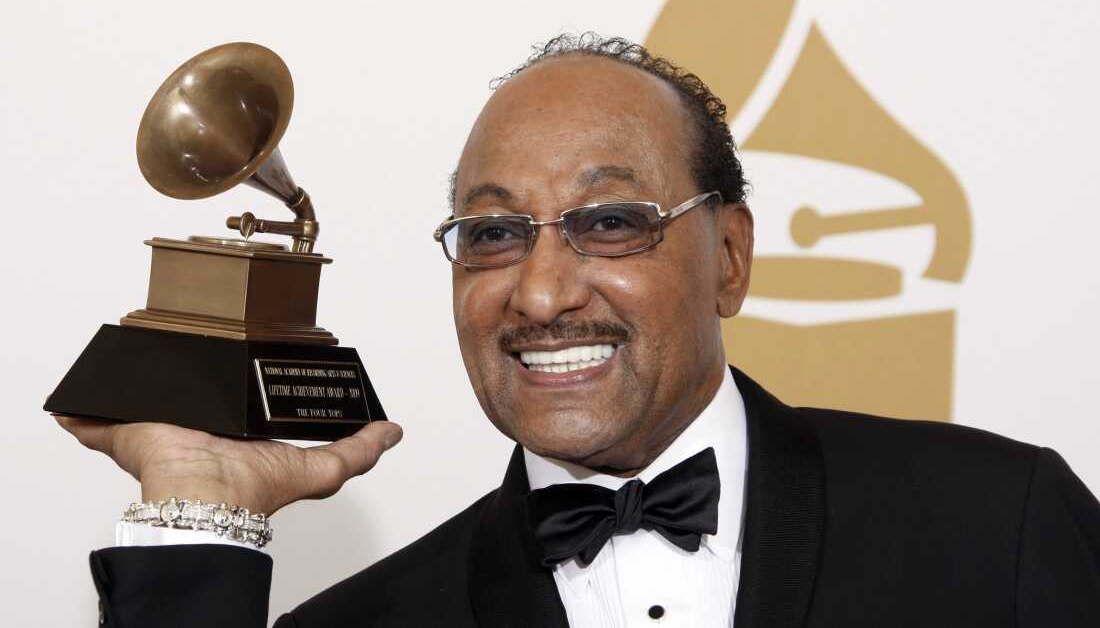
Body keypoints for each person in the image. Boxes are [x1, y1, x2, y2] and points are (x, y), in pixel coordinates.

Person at [58, 34, 1100, 627]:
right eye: (493, 233)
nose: (543, 294)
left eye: (610, 223)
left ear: (728, 259)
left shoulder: (997, 527)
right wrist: (197, 515)